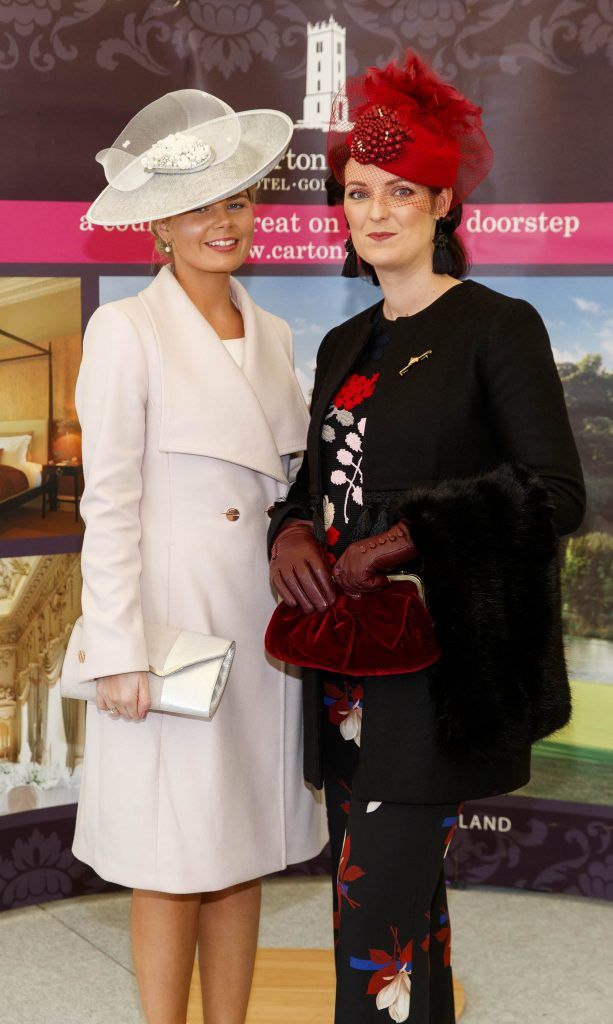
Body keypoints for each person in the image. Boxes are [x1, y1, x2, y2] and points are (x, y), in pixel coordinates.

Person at [267, 53, 585, 1024]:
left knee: (370, 935)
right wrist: (289, 529)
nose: (374, 211)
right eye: (357, 191)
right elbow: (319, 480)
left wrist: (406, 539)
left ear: (443, 202)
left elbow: (554, 492)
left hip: (438, 679)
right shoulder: (341, 344)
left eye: (399, 191)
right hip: (344, 678)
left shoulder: (498, 327)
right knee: (410, 926)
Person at [73, 90, 326, 1024]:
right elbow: (110, 506)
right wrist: (118, 651)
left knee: (238, 848)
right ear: (158, 228)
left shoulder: (278, 336)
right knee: (170, 859)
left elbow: (288, 497)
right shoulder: (126, 331)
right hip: (170, 638)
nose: (222, 222)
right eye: (197, 206)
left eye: (236, 201)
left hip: (260, 639)